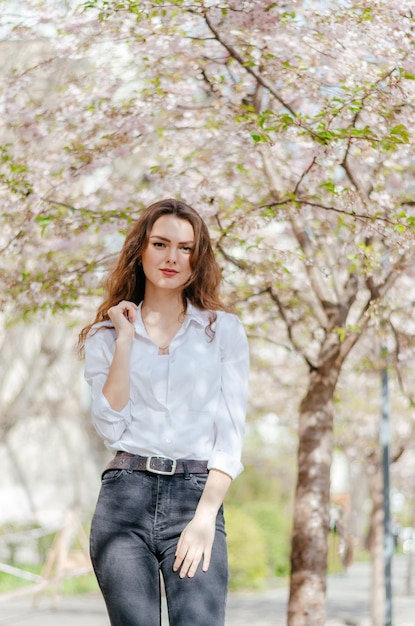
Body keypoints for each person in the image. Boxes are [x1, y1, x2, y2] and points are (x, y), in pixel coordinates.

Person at [78, 198, 250, 626]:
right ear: (140, 250)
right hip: (124, 496)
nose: (172, 257)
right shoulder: (105, 336)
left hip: (196, 495)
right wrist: (124, 338)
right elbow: (109, 423)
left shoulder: (222, 330)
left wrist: (206, 516)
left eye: (186, 248)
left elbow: (230, 434)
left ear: (198, 258)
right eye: (160, 244)